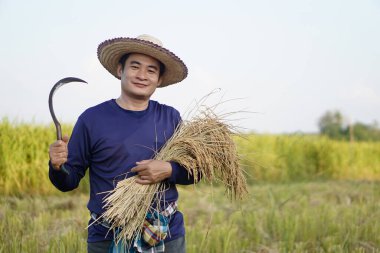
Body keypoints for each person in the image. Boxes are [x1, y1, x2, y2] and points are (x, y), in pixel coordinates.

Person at [48, 34, 195, 253]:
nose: (142, 75)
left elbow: (195, 172)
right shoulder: (92, 119)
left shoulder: (170, 118)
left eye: (151, 70)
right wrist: (57, 166)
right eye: (135, 66)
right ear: (120, 70)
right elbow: (68, 182)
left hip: (165, 235)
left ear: (160, 79)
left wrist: (168, 169)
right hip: (106, 236)